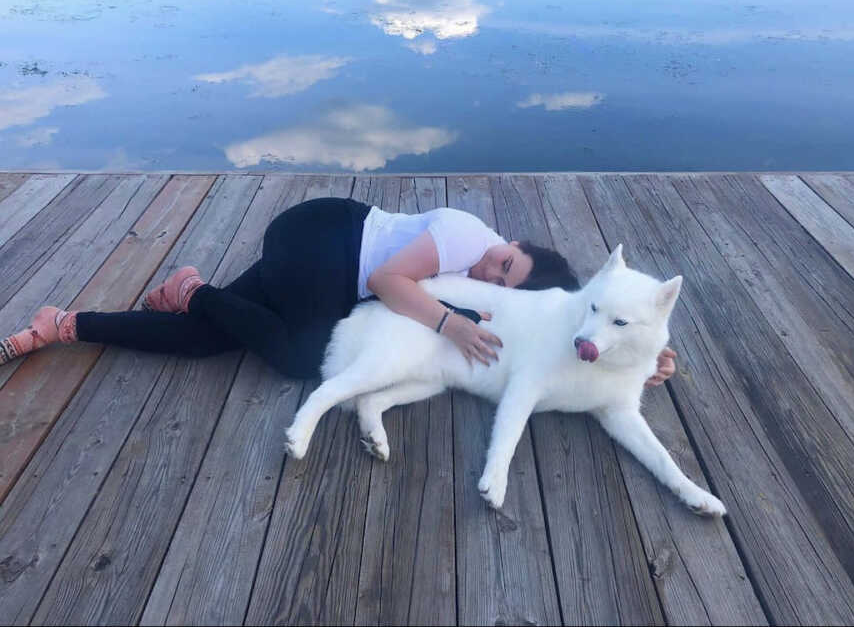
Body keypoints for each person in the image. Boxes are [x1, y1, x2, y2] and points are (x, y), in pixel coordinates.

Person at [0, 196, 676, 385]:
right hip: (328, 237)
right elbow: (384, 281)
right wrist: (450, 326)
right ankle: (193, 286)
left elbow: (558, 324)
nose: (491, 275)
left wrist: (633, 360)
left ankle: (66, 325)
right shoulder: (468, 234)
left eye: (504, 280)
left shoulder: (487, 290)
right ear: (510, 243)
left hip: (318, 264)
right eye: (506, 263)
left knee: (206, 344)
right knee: (301, 361)